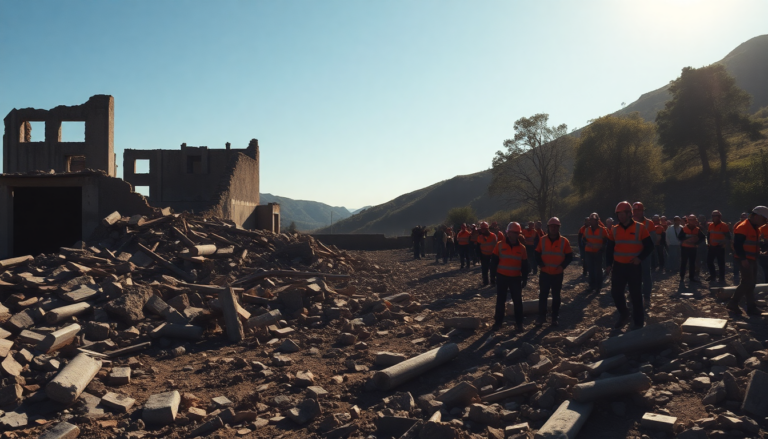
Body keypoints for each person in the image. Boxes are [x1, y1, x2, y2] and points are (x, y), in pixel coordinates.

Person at [605, 201, 654, 329]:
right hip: (619, 267)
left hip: (633, 267)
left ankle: (638, 323)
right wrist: (608, 264)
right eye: (618, 214)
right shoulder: (614, 230)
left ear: (629, 214)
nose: (620, 216)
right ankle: (624, 314)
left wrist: (640, 258)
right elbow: (609, 249)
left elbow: (649, 246)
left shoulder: (640, 228)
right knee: (616, 293)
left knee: (636, 295)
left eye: (622, 213)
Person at [727, 207, 768, 315]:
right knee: (747, 282)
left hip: (752, 258)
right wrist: (743, 259)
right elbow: (737, 244)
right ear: (757, 216)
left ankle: (751, 307)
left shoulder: (755, 228)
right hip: (745, 258)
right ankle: (733, 302)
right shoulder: (743, 227)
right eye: (764, 219)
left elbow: (754, 243)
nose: (765, 222)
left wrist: (762, 248)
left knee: (752, 283)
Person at [491, 222, 530, 331]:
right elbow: (493, 262)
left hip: (515, 278)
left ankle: (519, 323)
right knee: (500, 301)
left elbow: (525, 265)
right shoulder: (499, 245)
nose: (515, 234)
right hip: (502, 277)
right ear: (508, 233)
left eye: (517, 233)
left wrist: (525, 278)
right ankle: (498, 323)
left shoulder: (522, 248)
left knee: (517, 301)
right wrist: (492, 277)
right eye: (514, 232)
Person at [536, 217, 573, 327]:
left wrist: (562, 266)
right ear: (548, 227)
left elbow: (569, 256)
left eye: (556, 226)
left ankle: (554, 317)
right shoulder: (542, 240)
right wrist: (541, 264)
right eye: (552, 226)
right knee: (543, 295)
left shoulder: (564, 241)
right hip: (545, 273)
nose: (553, 228)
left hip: (557, 273)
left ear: (558, 227)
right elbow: (536, 253)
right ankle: (541, 317)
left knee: (556, 296)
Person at [632, 202, 656, 305]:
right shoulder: (630, 222)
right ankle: (633, 295)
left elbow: (653, 240)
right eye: (635, 211)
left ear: (643, 211)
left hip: (645, 254)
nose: (636, 213)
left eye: (639, 211)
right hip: (632, 254)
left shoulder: (649, 223)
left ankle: (646, 297)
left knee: (646, 275)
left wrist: (644, 252)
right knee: (633, 276)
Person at [583, 213, 608, 292]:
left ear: (597, 221)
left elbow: (606, 241)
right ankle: (592, 285)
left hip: (598, 252)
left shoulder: (602, 230)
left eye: (594, 220)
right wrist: (586, 243)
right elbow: (583, 239)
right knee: (591, 269)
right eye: (592, 220)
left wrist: (602, 249)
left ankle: (598, 286)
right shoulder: (586, 230)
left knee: (598, 270)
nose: (593, 222)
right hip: (589, 252)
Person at [679, 215, 706, 284]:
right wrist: (687, 239)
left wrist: (697, 243)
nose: (692, 221)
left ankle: (691, 277)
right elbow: (680, 237)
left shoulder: (697, 229)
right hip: (685, 248)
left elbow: (703, 237)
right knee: (684, 263)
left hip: (693, 248)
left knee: (692, 263)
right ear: (688, 221)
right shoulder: (684, 228)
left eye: (693, 220)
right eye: (690, 220)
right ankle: (682, 277)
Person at [707, 210, 730, 283]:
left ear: (719, 217)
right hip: (712, 247)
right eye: (712, 216)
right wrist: (708, 243)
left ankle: (721, 278)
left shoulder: (724, 226)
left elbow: (728, 237)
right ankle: (713, 276)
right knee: (709, 261)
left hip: (720, 247)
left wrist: (723, 242)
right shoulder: (710, 225)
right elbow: (708, 235)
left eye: (715, 216)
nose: (713, 217)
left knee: (721, 263)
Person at [477, 221, 498, 286]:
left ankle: (493, 280)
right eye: (482, 229)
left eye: (484, 229)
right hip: (484, 255)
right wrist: (478, 256)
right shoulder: (480, 237)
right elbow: (478, 247)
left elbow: (496, 246)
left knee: (493, 268)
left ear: (487, 229)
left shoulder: (493, 236)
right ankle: (485, 282)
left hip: (492, 255)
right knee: (484, 269)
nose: (483, 231)